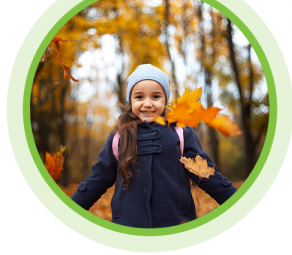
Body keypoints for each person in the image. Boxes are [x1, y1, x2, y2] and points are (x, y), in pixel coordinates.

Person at [71, 64, 237, 228]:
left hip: (175, 225)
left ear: (165, 100)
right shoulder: (119, 137)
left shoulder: (180, 133)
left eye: (156, 97)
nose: (148, 104)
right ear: (130, 100)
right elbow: (98, 179)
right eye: (139, 97)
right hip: (129, 227)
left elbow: (206, 174)